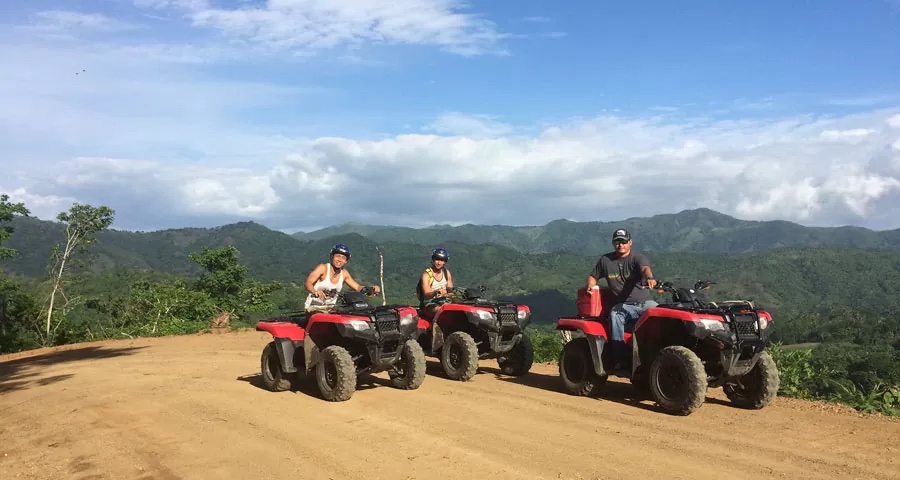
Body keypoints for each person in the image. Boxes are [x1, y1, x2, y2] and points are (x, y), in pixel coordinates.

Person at [585, 228, 658, 374]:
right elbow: (593, 276)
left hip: (644, 303)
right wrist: (590, 286)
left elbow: (645, 269)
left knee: (663, 314)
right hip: (623, 306)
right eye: (617, 242)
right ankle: (619, 359)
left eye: (623, 242)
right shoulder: (605, 260)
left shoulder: (637, 257)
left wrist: (650, 277)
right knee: (615, 315)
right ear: (613, 243)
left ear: (630, 242)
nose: (620, 245)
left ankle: (659, 356)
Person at [304, 243, 380, 312]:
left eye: (343, 258)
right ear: (332, 257)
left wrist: (370, 290)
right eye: (337, 256)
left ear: (346, 261)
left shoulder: (344, 273)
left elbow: (357, 287)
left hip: (330, 309)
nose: (340, 260)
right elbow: (308, 282)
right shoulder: (323, 268)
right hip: (313, 307)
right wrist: (315, 291)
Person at [417, 247, 454, 317]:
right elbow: (427, 295)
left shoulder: (446, 273)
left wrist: (446, 294)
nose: (439, 263)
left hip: (444, 302)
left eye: (442, 260)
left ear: (445, 262)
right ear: (433, 259)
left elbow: (451, 292)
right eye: (437, 259)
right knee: (440, 311)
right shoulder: (427, 275)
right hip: (429, 304)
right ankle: (436, 327)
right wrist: (436, 292)